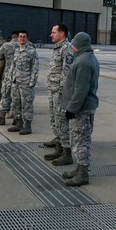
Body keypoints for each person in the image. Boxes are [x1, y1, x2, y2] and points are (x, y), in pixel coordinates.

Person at [59, 32, 99, 186]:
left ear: (80, 44)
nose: (72, 46)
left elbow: (80, 90)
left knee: (80, 142)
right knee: (82, 141)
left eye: (75, 43)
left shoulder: (83, 62)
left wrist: (72, 109)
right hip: (85, 107)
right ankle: (79, 169)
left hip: (81, 110)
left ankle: (82, 174)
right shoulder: (87, 58)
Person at [44, 24, 76, 165]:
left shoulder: (66, 49)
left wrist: (62, 92)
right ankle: (59, 147)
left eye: (53, 32)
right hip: (53, 89)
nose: (51, 35)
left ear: (62, 34)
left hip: (59, 92)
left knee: (62, 121)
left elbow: (67, 73)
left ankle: (66, 152)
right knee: (54, 120)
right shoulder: (57, 48)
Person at [7, 31, 39, 135]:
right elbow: (13, 66)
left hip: (26, 83)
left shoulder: (31, 51)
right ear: (17, 39)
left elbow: (35, 68)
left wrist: (32, 82)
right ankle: (18, 123)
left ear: (27, 38)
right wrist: (11, 79)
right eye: (20, 37)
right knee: (16, 103)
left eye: (24, 37)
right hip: (16, 82)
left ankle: (27, 126)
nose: (22, 39)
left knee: (27, 105)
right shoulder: (16, 50)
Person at [0, 32, 19, 125]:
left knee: (5, 95)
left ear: (11, 37)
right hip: (20, 76)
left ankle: (2, 117)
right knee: (18, 98)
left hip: (7, 75)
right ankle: (17, 118)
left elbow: (0, 60)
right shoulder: (27, 46)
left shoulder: (5, 45)